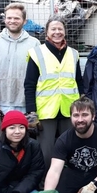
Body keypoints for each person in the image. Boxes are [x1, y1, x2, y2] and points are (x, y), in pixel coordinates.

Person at [24, 16, 84, 171]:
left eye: (60, 29)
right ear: (47, 33)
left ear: (65, 31)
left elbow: (78, 81)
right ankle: (45, 184)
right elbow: (29, 84)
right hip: (46, 111)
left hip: (69, 109)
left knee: (71, 148)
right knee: (46, 151)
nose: (57, 32)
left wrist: (82, 106)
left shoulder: (73, 54)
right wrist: (31, 112)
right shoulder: (37, 54)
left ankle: (68, 182)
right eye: (53, 29)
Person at [0, 3, 40, 117]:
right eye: (9, 18)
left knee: (25, 135)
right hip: (0, 105)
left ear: (24, 21)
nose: (12, 21)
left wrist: (33, 105)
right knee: (2, 135)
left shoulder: (34, 44)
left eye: (16, 18)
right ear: (5, 19)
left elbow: (38, 77)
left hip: (26, 105)